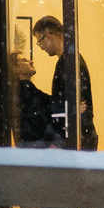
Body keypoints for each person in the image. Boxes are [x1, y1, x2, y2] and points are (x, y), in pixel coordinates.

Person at [34, 15, 98, 150]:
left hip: (76, 138)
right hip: (81, 136)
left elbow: (72, 105)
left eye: (40, 42)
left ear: (48, 37)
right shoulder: (71, 59)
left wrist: (69, 110)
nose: (42, 47)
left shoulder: (67, 62)